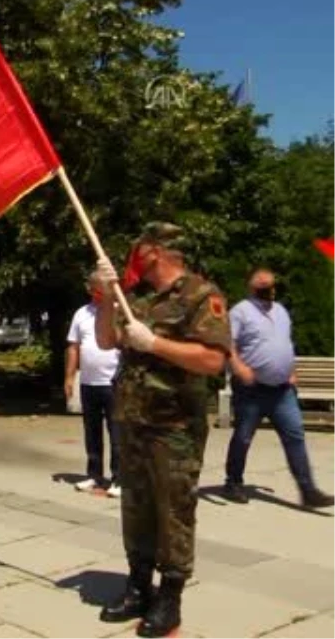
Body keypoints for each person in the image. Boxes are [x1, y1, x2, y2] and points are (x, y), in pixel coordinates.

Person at [94, 223, 231, 638]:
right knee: (135, 509)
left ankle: (170, 599)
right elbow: (105, 340)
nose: (134, 253)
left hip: (175, 428)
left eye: (139, 247)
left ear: (155, 250)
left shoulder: (201, 296)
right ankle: (138, 585)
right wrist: (104, 298)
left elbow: (212, 361)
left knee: (173, 512)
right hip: (133, 421)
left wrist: (154, 344)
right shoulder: (135, 298)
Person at [222, 268, 335, 508]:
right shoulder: (240, 311)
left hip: (282, 389)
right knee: (243, 437)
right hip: (251, 389)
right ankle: (233, 482)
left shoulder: (281, 311)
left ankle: (308, 490)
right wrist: (239, 367)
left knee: (295, 436)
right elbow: (227, 343)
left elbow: (284, 343)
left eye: (270, 284)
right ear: (250, 286)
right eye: (261, 283)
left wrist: (290, 370)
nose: (267, 287)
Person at [66, 271, 123, 497]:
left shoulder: (118, 311)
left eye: (99, 288)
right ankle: (94, 475)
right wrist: (69, 377)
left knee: (117, 432)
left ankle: (119, 479)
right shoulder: (81, 314)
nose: (94, 292)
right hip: (88, 382)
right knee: (92, 432)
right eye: (92, 288)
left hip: (113, 382)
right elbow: (73, 347)